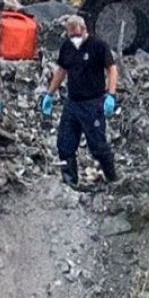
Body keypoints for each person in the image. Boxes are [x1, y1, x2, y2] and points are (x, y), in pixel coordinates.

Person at [38, 16, 120, 187]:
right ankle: (70, 182)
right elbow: (61, 70)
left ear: (84, 30)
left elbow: (111, 69)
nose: (74, 39)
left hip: (93, 103)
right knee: (65, 144)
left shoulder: (98, 46)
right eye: (71, 35)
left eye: (77, 35)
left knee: (97, 146)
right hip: (72, 102)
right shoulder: (67, 47)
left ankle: (112, 178)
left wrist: (111, 95)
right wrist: (50, 94)